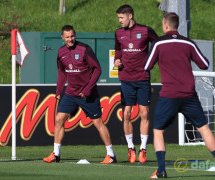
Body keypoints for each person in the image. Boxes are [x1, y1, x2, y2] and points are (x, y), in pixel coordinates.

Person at [144, 13, 215, 178]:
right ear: (177, 26)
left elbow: (147, 65)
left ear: (165, 25)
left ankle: (162, 170)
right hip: (189, 95)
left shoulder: (158, 43)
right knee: (204, 128)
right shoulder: (188, 43)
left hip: (169, 94)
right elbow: (205, 64)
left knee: (158, 131)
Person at [43, 25, 116, 164]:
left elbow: (97, 69)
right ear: (62, 38)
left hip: (88, 94)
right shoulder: (61, 52)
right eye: (67, 37)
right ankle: (56, 154)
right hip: (70, 93)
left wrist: (88, 89)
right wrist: (58, 91)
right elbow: (62, 73)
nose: (70, 39)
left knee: (98, 122)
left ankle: (111, 155)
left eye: (72, 36)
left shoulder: (84, 49)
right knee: (59, 119)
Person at [114, 4, 158, 163]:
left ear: (130, 16)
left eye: (121, 18)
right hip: (126, 79)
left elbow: (158, 45)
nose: (119, 21)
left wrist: (151, 62)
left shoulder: (146, 30)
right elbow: (117, 50)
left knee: (144, 113)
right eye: (118, 18)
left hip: (142, 78)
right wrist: (116, 60)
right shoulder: (118, 33)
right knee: (126, 113)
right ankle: (131, 148)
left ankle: (143, 149)